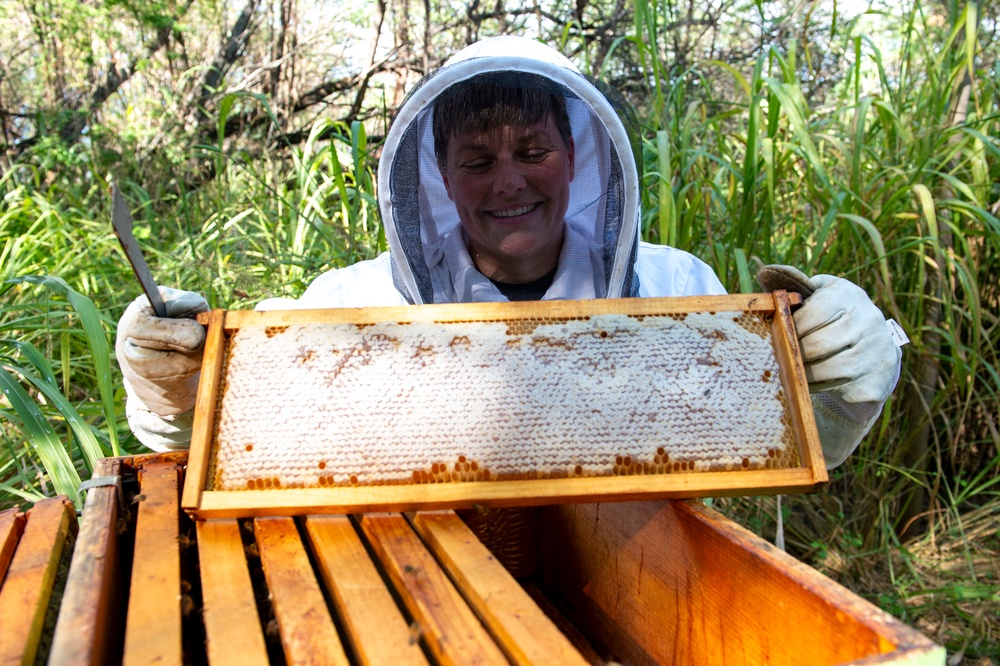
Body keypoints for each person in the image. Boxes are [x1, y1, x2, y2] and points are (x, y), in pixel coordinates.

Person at [116, 36, 903, 468]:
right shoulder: (351, 304)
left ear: (578, 155)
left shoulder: (671, 284)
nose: (509, 183)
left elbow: (789, 445)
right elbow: (214, 443)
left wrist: (846, 373)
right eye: (478, 161)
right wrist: (171, 387)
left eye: (533, 150)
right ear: (440, 180)